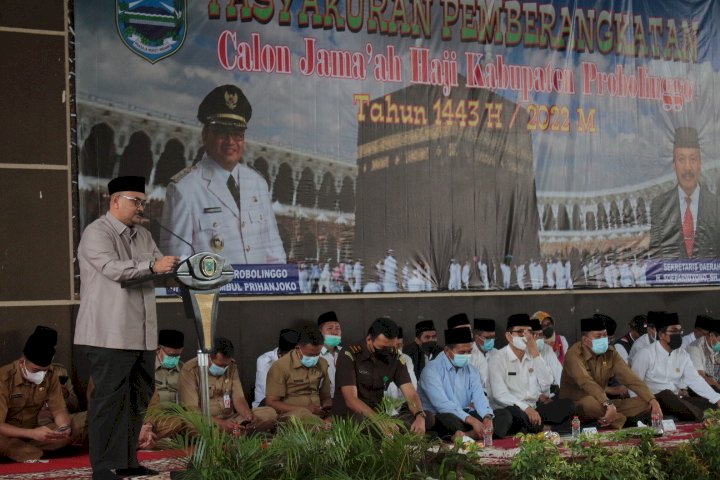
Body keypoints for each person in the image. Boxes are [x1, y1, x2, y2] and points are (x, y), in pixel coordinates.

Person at [75, 175, 180, 480]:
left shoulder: (144, 236)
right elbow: (113, 269)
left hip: (143, 336)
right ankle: (103, 467)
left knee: (137, 400)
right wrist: (152, 267)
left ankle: (127, 461)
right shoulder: (97, 233)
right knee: (108, 403)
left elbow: (161, 267)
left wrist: (182, 270)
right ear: (115, 201)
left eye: (143, 202)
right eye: (136, 201)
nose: (141, 208)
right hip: (109, 335)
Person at [161, 84, 286, 265]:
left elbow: (275, 255)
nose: (230, 142)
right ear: (205, 135)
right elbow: (176, 266)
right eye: (221, 132)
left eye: (237, 134)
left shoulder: (257, 183)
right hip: (212, 293)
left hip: (260, 293)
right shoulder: (184, 189)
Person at [331, 317, 432, 435]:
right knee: (363, 424)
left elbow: (411, 394)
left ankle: (391, 433)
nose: (387, 352)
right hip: (353, 417)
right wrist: (380, 421)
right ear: (369, 339)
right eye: (383, 348)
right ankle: (390, 434)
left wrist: (419, 415)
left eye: (391, 347)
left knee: (428, 418)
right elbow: (351, 399)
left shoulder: (395, 358)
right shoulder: (349, 355)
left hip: (380, 416)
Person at [560, 316, 661, 429]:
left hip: (603, 403)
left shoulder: (610, 352)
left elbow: (630, 378)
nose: (603, 339)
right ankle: (622, 421)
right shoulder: (573, 354)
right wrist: (608, 404)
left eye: (605, 335)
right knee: (589, 403)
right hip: (577, 403)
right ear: (585, 340)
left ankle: (611, 418)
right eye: (598, 336)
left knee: (644, 403)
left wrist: (652, 400)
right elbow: (586, 382)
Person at [0, 328, 84, 462]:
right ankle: (36, 454)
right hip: (7, 434)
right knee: (7, 443)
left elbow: (58, 409)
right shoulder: (4, 378)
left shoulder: (51, 375)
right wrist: (32, 433)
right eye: (35, 370)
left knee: (67, 434)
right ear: (22, 361)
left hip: (32, 433)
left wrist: (64, 427)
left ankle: (31, 453)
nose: (41, 374)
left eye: (44, 370)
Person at [488, 315, 575, 435]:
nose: (525, 336)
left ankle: (537, 428)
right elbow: (500, 395)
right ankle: (548, 428)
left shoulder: (532, 354)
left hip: (534, 409)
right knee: (514, 415)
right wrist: (526, 408)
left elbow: (547, 382)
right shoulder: (497, 358)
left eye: (529, 332)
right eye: (520, 332)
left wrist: (535, 353)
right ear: (508, 336)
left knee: (568, 405)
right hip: (512, 409)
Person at [420, 327, 512, 440]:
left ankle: (469, 435)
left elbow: (479, 397)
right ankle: (474, 434)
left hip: (467, 415)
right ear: (447, 351)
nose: (467, 355)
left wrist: (487, 417)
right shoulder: (431, 370)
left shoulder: (471, 370)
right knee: (448, 420)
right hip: (445, 415)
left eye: (470, 351)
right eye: (462, 352)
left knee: (504, 415)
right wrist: (473, 421)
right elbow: (442, 405)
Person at [632, 312, 720, 421]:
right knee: (666, 394)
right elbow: (634, 384)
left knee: (708, 404)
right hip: (652, 401)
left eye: (680, 331)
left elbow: (695, 380)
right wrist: (640, 407)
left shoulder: (682, 354)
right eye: (674, 331)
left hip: (676, 399)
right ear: (661, 335)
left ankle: (706, 415)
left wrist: (717, 399)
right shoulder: (645, 354)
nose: (678, 334)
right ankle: (701, 417)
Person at [178, 337, 277, 434]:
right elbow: (192, 409)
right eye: (220, 366)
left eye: (226, 365)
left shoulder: (232, 366)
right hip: (206, 420)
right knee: (193, 426)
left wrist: (248, 415)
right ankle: (234, 432)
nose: (224, 368)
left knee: (269, 413)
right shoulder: (190, 370)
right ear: (208, 356)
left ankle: (233, 431)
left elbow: (239, 399)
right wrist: (220, 423)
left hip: (231, 419)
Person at [649, 126, 720, 259]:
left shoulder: (716, 205)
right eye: (681, 159)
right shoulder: (659, 207)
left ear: (700, 163)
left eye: (693, 159)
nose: (687, 167)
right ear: (674, 164)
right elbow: (656, 259)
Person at [265, 327, 332, 422]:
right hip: (291, 416)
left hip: (319, 414)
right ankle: (323, 426)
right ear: (297, 349)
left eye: (317, 354)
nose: (314, 358)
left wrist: (326, 407)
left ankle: (324, 425)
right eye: (310, 355)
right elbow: (271, 402)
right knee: (302, 415)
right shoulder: (280, 366)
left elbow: (325, 396)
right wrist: (306, 409)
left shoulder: (323, 364)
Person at [253, 329, 299, 408]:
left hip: (290, 403)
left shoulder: (299, 359)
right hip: (265, 404)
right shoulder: (265, 361)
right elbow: (269, 392)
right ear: (280, 354)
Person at [385, 327, 418, 413]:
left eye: (399, 346)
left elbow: (412, 389)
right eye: (393, 346)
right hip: (383, 413)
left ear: (403, 344)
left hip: (402, 408)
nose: (396, 350)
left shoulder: (406, 359)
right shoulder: (379, 361)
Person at [687, 316, 720, 392]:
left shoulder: (716, 347)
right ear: (711, 336)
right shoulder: (695, 348)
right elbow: (700, 377)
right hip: (700, 388)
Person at [529, 319, 563, 390]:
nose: (537, 337)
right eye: (534, 334)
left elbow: (559, 373)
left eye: (540, 334)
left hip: (548, 394)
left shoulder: (547, 349)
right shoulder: (521, 351)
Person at [154, 329, 185, 404]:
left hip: (178, 413)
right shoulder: (147, 368)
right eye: (171, 355)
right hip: (153, 413)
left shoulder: (184, 369)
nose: (174, 358)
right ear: (158, 349)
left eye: (177, 355)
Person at [318, 311, 343, 398]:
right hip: (324, 400)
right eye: (330, 328)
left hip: (346, 400)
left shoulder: (346, 353)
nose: (334, 332)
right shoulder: (314, 355)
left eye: (337, 328)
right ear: (320, 331)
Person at [470, 318, 496, 386]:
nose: (491, 340)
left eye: (493, 337)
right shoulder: (468, 354)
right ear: (476, 337)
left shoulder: (497, 354)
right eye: (487, 338)